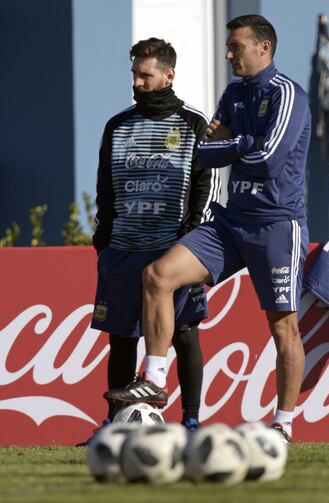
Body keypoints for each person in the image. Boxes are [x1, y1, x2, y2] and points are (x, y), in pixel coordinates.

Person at [105, 15, 311, 444]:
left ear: (263, 48)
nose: (228, 54)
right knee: (158, 276)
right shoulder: (234, 93)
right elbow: (203, 153)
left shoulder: (287, 93)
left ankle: (283, 424)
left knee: (282, 328)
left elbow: (269, 162)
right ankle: (155, 380)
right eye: (227, 46)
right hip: (230, 222)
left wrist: (235, 143)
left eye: (235, 47)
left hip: (276, 225)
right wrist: (242, 145)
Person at [86, 37, 220, 439]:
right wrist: (104, 238)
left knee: (183, 333)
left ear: (168, 75)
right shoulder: (117, 125)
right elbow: (104, 187)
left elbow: (205, 183)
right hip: (123, 249)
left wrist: (190, 235)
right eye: (134, 74)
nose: (138, 82)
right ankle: (114, 425)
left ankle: (192, 422)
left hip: (172, 250)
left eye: (145, 75)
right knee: (122, 339)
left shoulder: (193, 122)